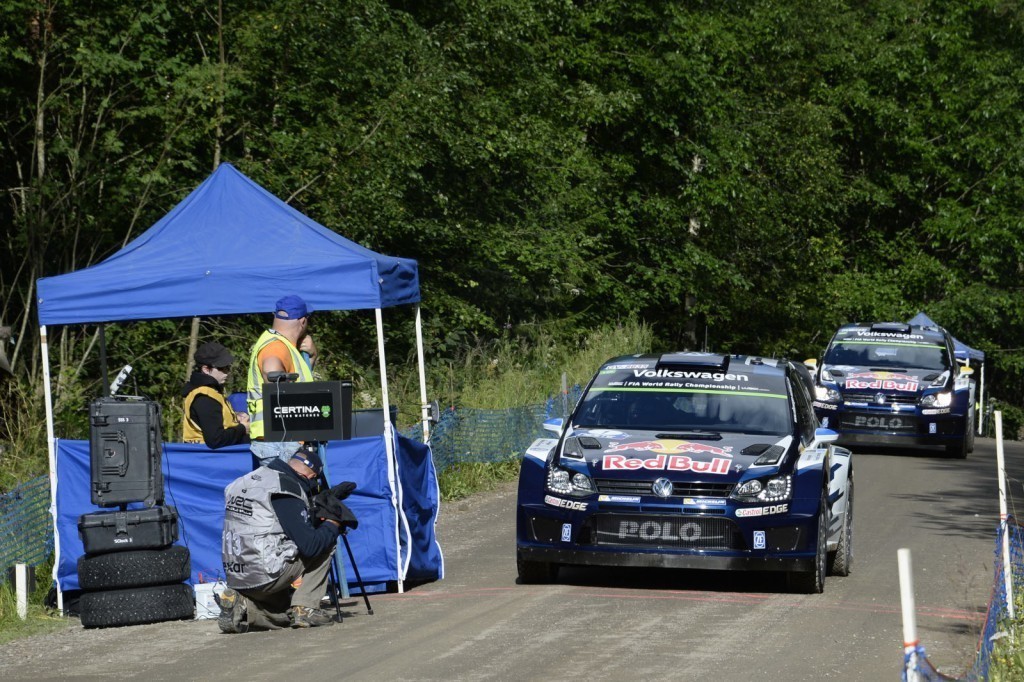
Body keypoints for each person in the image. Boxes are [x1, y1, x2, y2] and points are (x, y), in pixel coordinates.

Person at [218, 446, 356, 632]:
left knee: (285, 611)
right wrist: (332, 524)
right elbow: (310, 545)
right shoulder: (285, 487)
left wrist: (320, 501)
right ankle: (306, 607)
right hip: (265, 574)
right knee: (325, 541)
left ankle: (243, 606)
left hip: (236, 575)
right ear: (310, 476)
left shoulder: (246, 480)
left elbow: (274, 519)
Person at [246, 294, 318, 465]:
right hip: (280, 439)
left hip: (280, 437)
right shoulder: (275, 346)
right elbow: (271, 372)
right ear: (303, 321)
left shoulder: (281, 344)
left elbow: (300, 381)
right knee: (286, 484)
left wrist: (313, 355)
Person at [181, 342, 250, 449]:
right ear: (206, 369)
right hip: (211, 457)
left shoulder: (208, 392)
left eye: (228, 367)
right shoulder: (204, 397)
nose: (227, 372)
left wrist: (235, 417)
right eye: (222, 368)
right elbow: (216, 439)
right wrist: (242, 428)